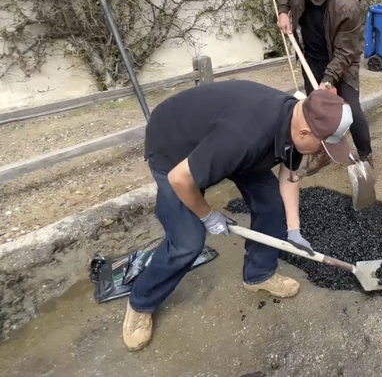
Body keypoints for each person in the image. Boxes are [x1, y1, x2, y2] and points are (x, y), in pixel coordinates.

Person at [122, 80, 354, 351]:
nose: (321, 153)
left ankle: (258, 275)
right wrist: (207, 215)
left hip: (225, 144)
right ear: (304, 133)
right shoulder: (246, 136)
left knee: (271, 205)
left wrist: (294, 229)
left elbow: (290, 177)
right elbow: (180, 178)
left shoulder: (293, 120)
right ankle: (141, 302)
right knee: (187, 241)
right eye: (321, 146)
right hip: (174, 147)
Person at [276, 0, 373, 174]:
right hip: (311, 57)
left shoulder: (348, 6)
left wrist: (328, 80)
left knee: (352, 111)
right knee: (315, 110)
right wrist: (283, 11)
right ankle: (322, 152)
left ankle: (366, 157)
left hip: (341, 60)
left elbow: (347, 51)